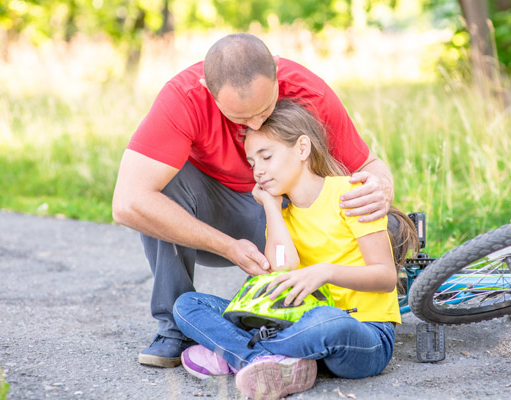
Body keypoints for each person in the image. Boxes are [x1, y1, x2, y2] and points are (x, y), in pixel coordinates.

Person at [112, 33, 396, 368]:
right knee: (161, 208)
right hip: (222, 216)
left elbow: (368, 167)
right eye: (240, 118)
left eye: (264, 109)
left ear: (277, 70)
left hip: (292, 226)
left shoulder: (311, 94)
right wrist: (229, 245)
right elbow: (128, 203)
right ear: (207, 88)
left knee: (335, 304)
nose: (256, 124)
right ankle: (187, 334)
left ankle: (249, 350)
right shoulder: (184, 98)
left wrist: (380, 190)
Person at [173, 99, 419, 399]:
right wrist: (272, 209)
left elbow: (385, 277)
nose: (258, 172)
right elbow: (282, 271)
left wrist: (324, 272)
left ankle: (238, 353)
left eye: (266, 157)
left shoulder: (350, 194)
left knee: (327, 321)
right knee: (187, 306)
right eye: (252, 163)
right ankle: (266, 361)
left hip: (362, 332)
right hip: (295, 323)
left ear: (302, 149)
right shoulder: (281, 215)